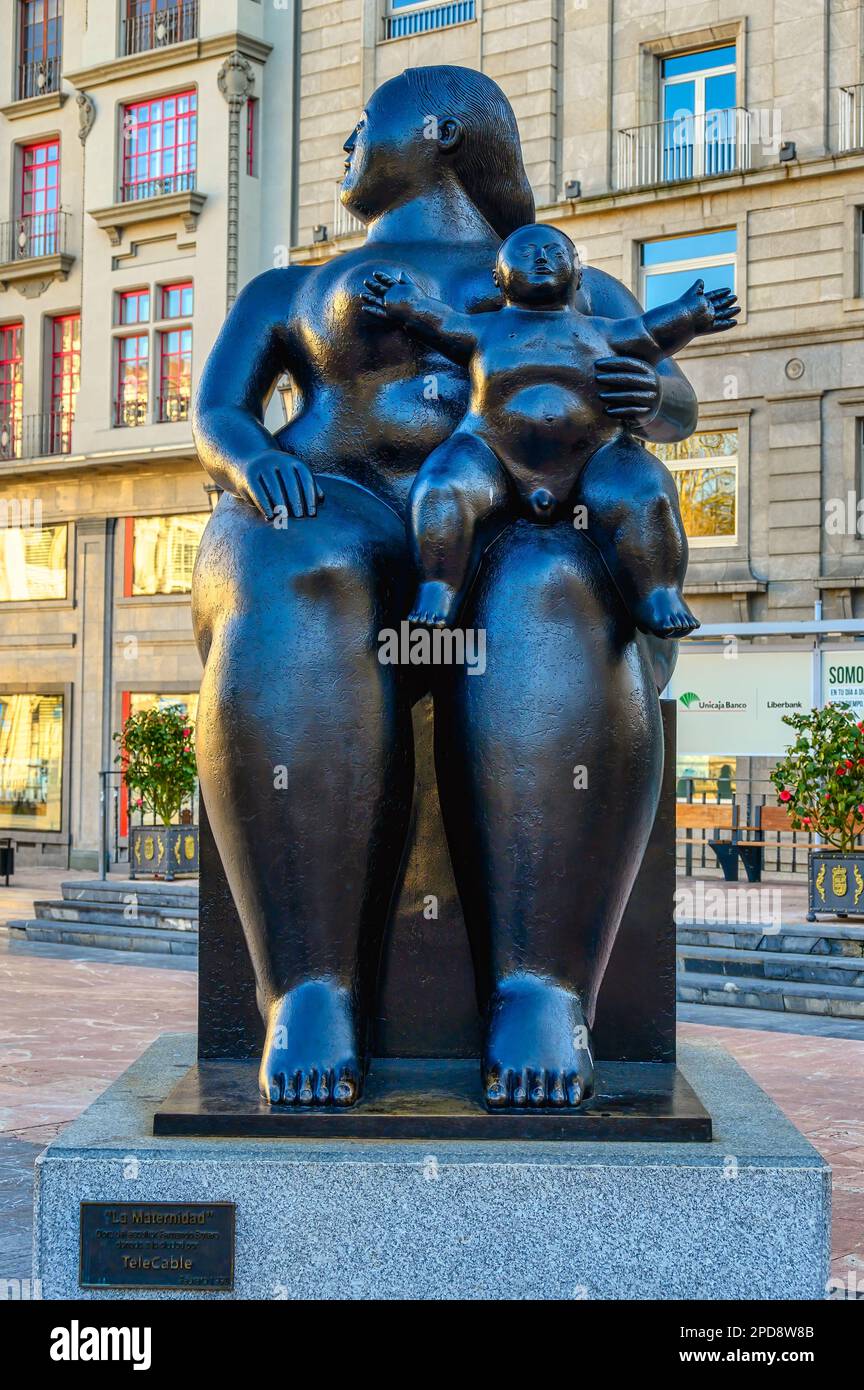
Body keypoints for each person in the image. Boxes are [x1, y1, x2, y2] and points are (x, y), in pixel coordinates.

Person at [192, 66, 700, 1109]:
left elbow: (672, 397)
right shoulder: (289, 288)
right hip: (334, 502)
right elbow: (217, 414)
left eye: (358, 130)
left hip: (524, 514)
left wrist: (649, 391)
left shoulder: (569, 280)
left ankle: (542, 985)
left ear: (437, 129)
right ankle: (309, 987)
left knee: (550, 589)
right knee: (303, 570)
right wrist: (253, 465)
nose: (342, 151)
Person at [362, 223, 737, 633]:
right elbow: (439, 321)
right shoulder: (484, 328)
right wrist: (404, 303)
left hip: (596, 454)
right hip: (491, 452)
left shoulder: (601, 330)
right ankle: (439, 586)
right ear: (498, 277)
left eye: (555, 253)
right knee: (441, 485)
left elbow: (649, 330)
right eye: (526, 253)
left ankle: (657, 590)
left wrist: (691, 314)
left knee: (646, 490)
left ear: (578, 275)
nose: (541, 258)